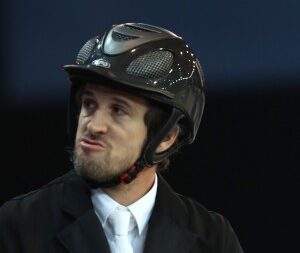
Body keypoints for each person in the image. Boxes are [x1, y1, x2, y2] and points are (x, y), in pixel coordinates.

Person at [0, 22, 244, 252]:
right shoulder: (17, 226)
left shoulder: (213, 240)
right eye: (89, 104)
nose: (94, 125)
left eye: (118, 110)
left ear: (166, 136)